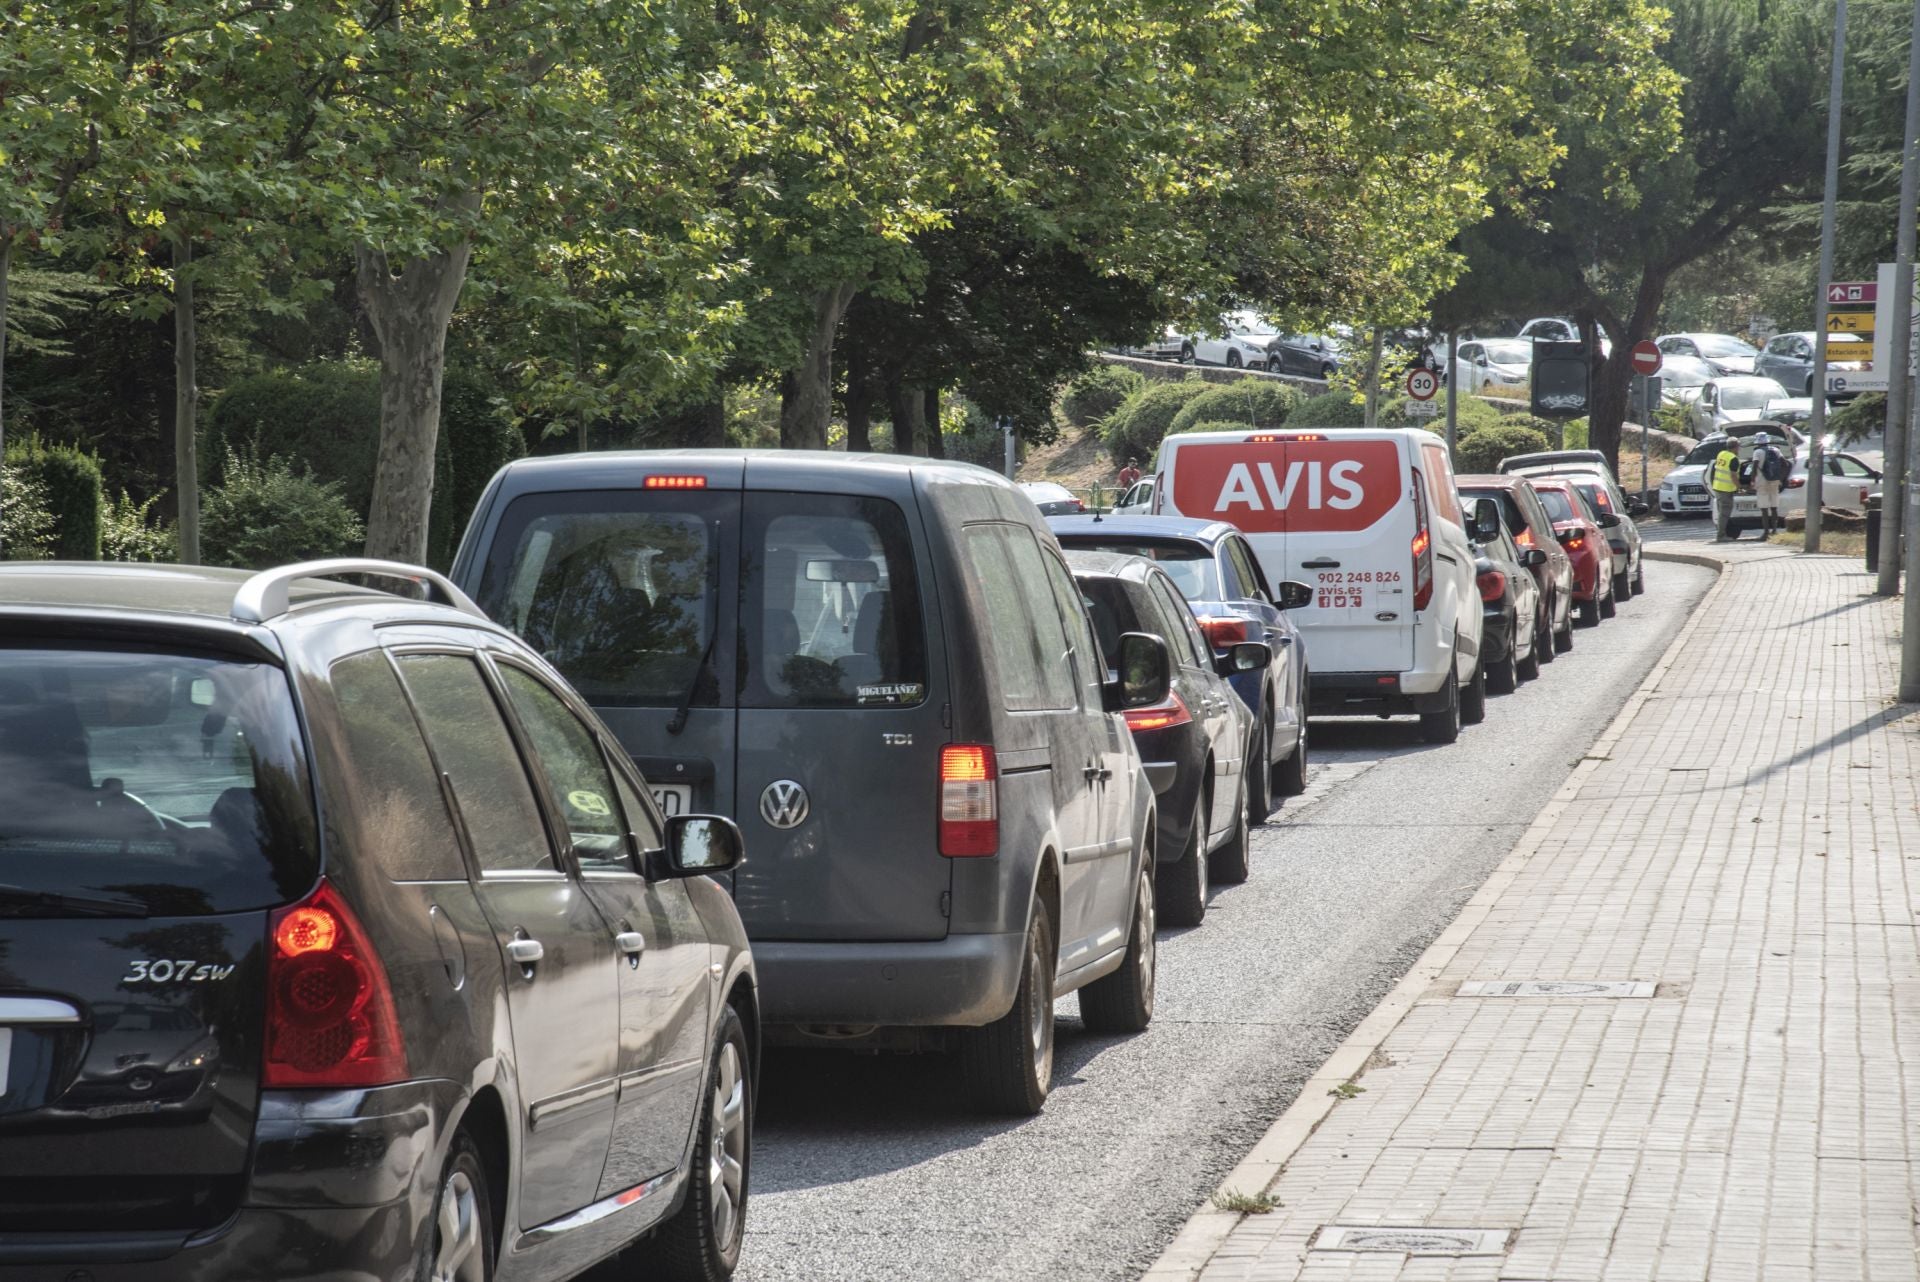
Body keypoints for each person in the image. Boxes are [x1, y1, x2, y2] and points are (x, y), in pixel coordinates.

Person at [1748, 436, 1788, 538]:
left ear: (1758, 443)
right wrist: (1781, 478)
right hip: (1775, 481)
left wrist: (1752, 481)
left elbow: (1754, 467)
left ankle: (1766, 532)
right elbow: (1785, 464)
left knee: (1764, 508)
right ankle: (1774, 530)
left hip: (1762, 482)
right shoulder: (1776, 450)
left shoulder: (1757, 452)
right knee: (1774, 507)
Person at [1709, 439, 1740, 542]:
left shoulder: (1721, 454)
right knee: (1724, 513)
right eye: (1738, 447)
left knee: (1721, 512)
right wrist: (1739, 486)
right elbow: (1733, 475)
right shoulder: (1734, 459)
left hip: (1717, 487)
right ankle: (1721, 536)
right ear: (1735, 447)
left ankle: (1722, 534)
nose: (1739, 449)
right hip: (1726, 489)